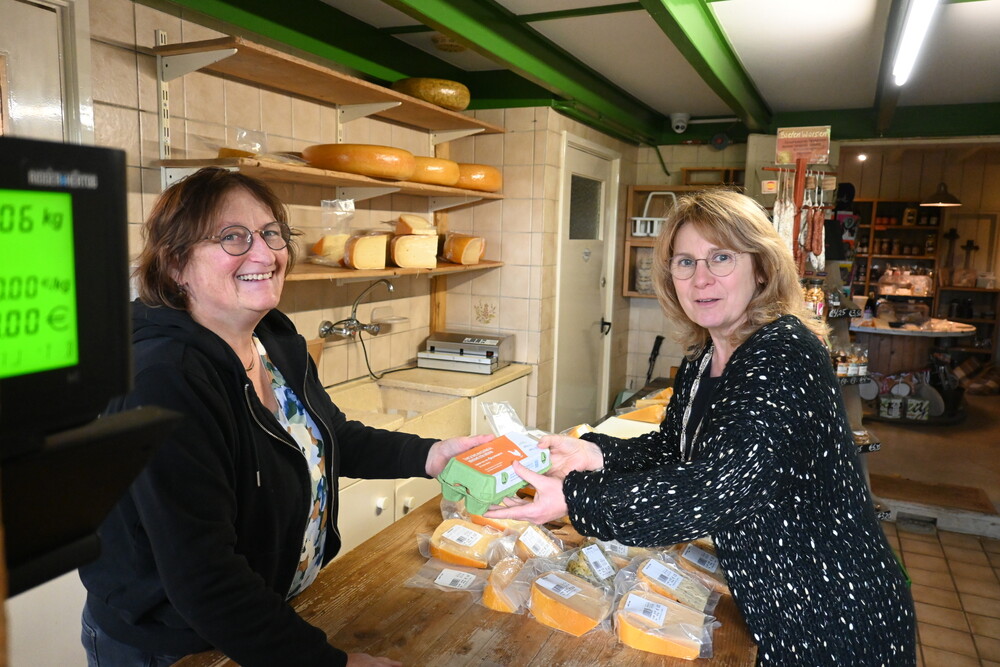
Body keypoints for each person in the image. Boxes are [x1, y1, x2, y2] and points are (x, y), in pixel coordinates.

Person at [79, 167, 491, 667]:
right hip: (176, 646)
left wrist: (431, 455)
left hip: (262, 620)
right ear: (174, 264)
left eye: (271, 233)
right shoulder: (165, 379)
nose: (265, 253)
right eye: (233, 237)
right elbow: (204, 575)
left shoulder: (271, 337)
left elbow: (329, 436)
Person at [487, 190, 916, 665]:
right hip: (772, 596)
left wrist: (576, 498)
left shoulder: (783, 353)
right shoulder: (705, 354)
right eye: (685, 262)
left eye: (722, 257)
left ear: (762, 268)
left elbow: (715, 489)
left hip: (834, 612)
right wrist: (597, 454)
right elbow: (677, 449)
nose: (701, 278)